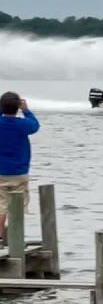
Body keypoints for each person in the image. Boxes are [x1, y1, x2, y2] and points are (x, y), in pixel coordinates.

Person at [0, 93, 39, 243]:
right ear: (17, 108)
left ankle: (0, 238)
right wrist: (26, 110)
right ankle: (16, 239)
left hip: (0, 173)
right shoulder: (23, 125)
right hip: (19, 173)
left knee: (1, 207)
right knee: (18, 207)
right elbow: (35, 125)